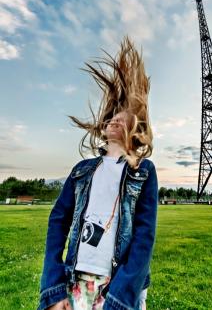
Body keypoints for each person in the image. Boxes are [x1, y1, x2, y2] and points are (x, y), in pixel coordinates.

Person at [38, 36, 158, 310]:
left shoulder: (143, 172)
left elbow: (144, 236)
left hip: (119, 285)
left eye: (123, 114)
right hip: (76, 280)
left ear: (137, 126)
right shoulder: (82, 170)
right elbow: (58, 221)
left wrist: (121, 295)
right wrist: (53, 287)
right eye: (112, 115)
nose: (115, 117)